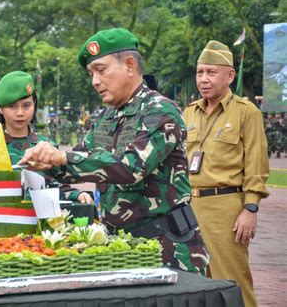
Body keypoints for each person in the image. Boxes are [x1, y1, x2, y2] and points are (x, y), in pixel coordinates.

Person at [19, 28, 208, 274]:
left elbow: (130, 168)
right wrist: (44, 163)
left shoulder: (161, 111)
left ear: (129, 65)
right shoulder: (105, 118)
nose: (95, 81)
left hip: (169, 250)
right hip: (123, 248)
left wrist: (62, 157)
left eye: (101, 70)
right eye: (91, 73)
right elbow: (80, 164)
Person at [183, 40, 269, 307]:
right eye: (200, 72)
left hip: (226, 210)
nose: (204, 79)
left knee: (232, 283)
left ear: (230, 75)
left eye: (211, 72)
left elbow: (256, 162)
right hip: (188, 209)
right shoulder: (188, 113)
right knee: (195, 284)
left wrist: (250, 209)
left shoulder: (246, 112)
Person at [0, 71, 93, 204]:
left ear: (34, 105)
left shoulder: (46, 146)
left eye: (26, 105)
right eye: (12, 106)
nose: (20, 113)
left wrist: (78, 194)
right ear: (0, 109)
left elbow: (56, 187)